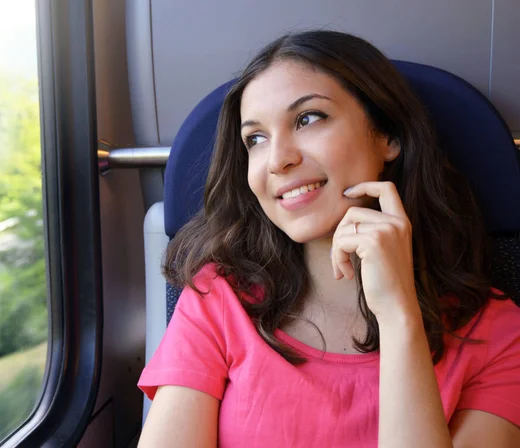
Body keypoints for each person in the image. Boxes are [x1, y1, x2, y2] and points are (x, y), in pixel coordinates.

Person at [137, 30, 520, 447]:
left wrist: (398, 317)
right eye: (256, 139)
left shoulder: (499, 336)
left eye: (308, 119)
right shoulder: (217, 299)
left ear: (387, 136)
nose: (278, 160)